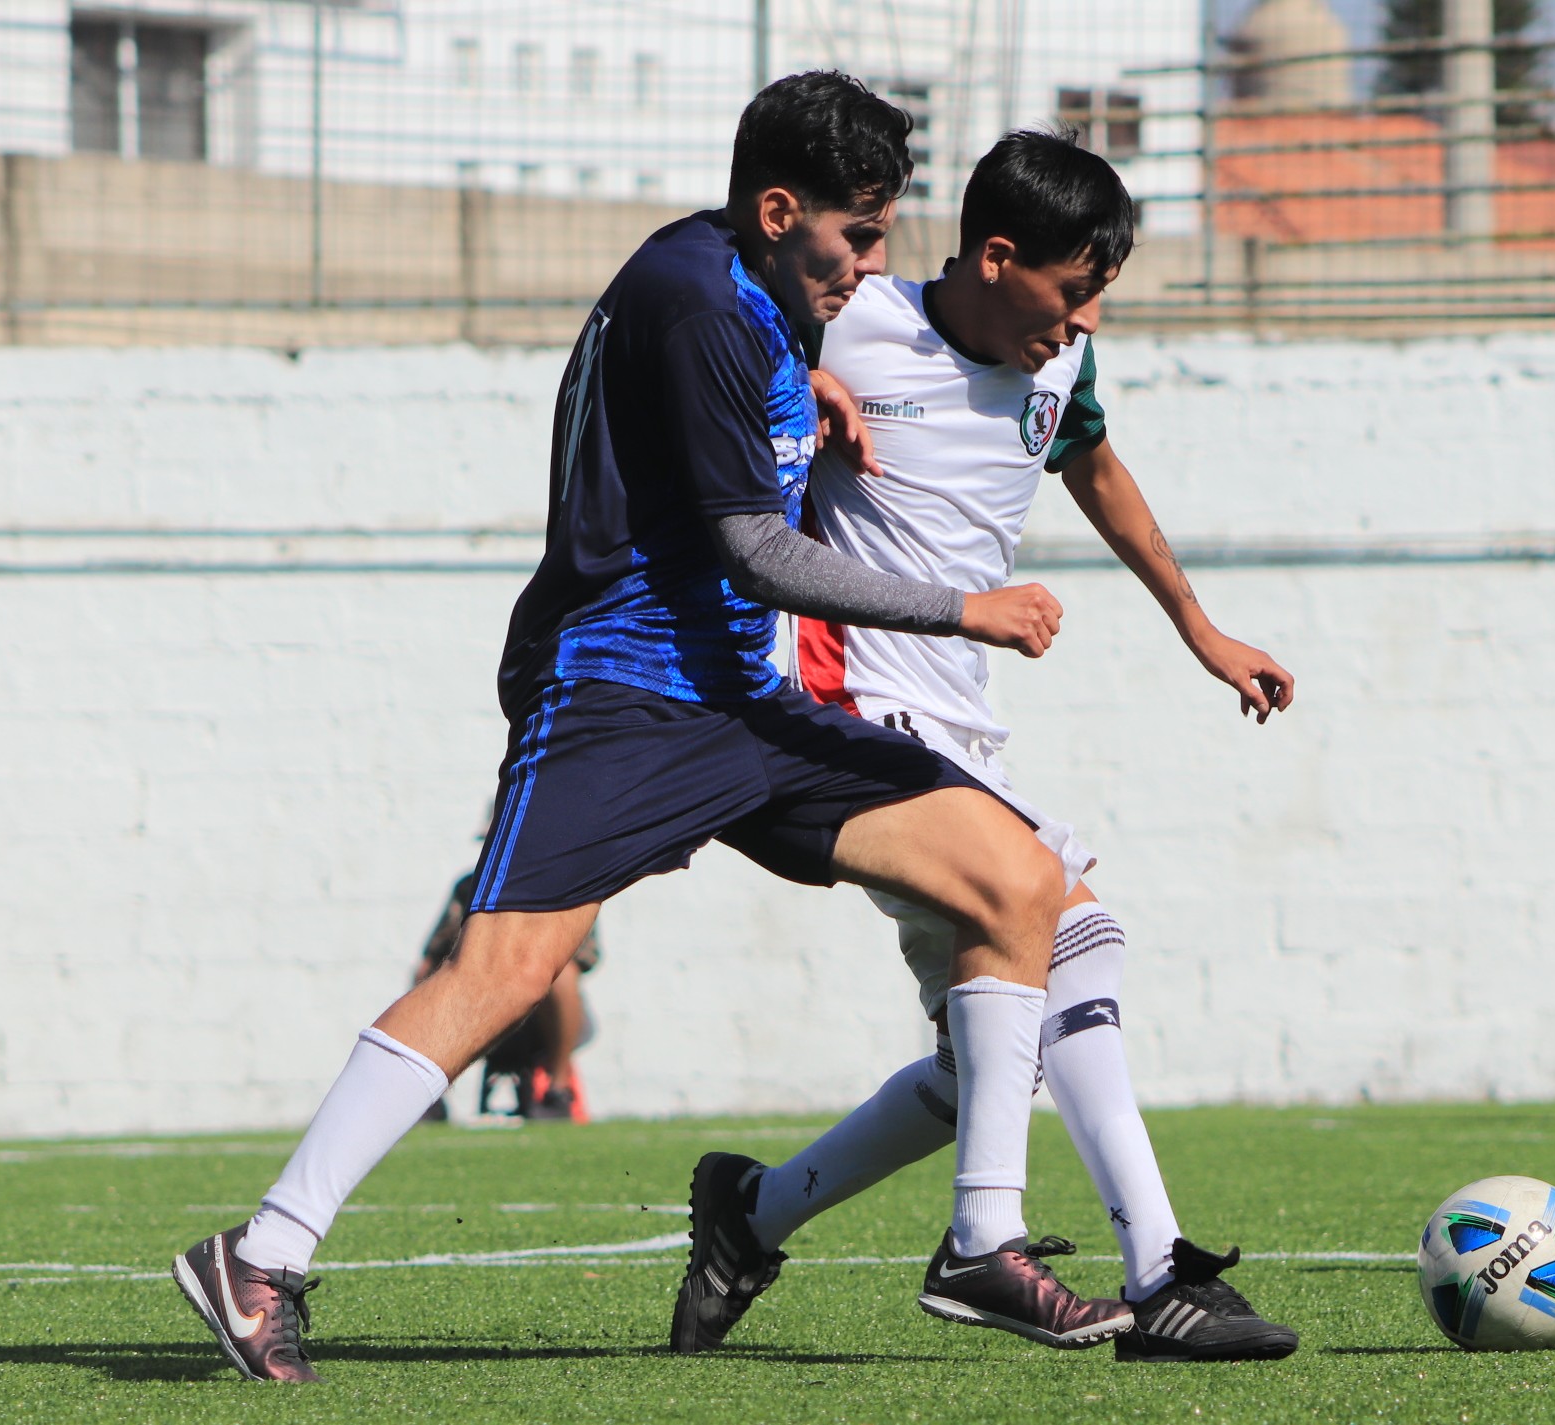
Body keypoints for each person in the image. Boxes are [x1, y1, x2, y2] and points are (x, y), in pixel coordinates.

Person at [172, 72, 1132, 1385]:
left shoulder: (738, 276)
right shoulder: (697, 306)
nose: (868, 269)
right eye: (856, 240)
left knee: (1021, 883)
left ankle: (979, 1240)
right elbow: (757, 554)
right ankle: (264, 1251)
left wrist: (811, 387)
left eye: (881, 240)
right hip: (622, 694)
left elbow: (753, 394)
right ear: (780, 208)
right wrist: (961, 608)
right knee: (505, 970)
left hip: (748, 705)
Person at [670, 130, 1299, 1363]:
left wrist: (1199, 627)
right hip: (848, 711)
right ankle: (1153, 1268)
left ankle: (752, 1214)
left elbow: (1095, 463)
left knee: (986, 1060)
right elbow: (726, 350)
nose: (1083, 320)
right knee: (1072, 928)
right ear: (998, 258)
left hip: (963, 725)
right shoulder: (849, 323)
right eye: (1073, 291)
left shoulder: (1062, 363)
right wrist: (808, 390)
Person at [414, 867, 599, 1121]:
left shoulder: (570, 884)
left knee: (564, 974)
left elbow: (587, 955)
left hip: (543, 1015)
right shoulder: (469, 887)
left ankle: (558, 1092)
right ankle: (427, 1092)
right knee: (429, 974)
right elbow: (436, 950)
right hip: (483, 1004)